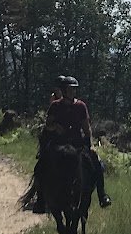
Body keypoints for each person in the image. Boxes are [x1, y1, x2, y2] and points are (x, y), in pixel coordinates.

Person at [32, 75, 112, 213]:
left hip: (76, 143)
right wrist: (55, 126)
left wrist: (90, 144)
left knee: (97, 163)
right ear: (64, 91)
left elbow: (87, 128)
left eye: (74, 89)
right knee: (41, 165)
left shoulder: (81, 106)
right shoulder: (55, 106)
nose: (73, 92)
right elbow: (48, 125)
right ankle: (41, 200)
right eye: (70, 89)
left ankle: (102, 195)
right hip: (59, 143)